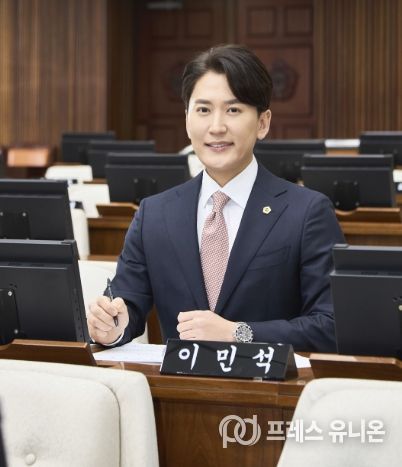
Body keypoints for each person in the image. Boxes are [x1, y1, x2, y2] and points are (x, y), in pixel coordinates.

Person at [87, 44, 344, 352]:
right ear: (187, 120)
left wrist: (239, 333)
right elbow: (128, 303)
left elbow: (332, 324)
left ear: (263, 123)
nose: (217, 127)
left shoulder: (307, 212)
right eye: (203, 110)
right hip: (179, 382)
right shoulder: (154, 214)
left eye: (233, 110)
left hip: (269, 381)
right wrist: (111, 326)